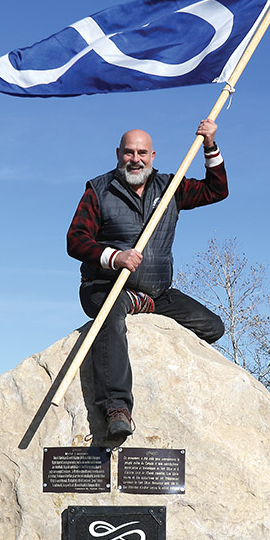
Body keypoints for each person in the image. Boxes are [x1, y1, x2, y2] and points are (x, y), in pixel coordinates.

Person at [66, 119, 228, 441]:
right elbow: (75, 240)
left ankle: (146, 305)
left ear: (153, 155)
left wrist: (209, 145)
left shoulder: (171, 186)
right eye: (129, 152)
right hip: (107, 287)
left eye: (142, 152)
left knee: (213, 326)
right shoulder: (98, 190)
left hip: (158, 292)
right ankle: (117, 409)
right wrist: (115, 256)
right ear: (118, 154)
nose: (135, 159)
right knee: (110, 318)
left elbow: (216, 190)